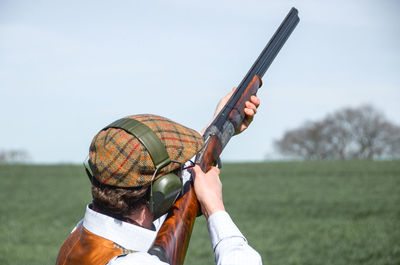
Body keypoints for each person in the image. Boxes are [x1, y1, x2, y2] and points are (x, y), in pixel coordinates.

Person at [55, 90, 262, 265]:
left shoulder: (83, 234)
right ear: (164, 189)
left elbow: (144, 177)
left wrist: (220, 124)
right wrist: (214, 207)